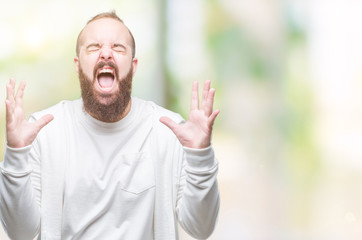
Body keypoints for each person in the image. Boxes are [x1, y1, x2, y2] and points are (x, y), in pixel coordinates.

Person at [0, 11, 220, 240]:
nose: (106, 53)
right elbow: (20, 233)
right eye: (94, 47)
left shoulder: (168, 130)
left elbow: (201, 229)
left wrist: (200, 156)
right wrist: (16, 154)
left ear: (133, 66)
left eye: (118, 47)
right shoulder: (44, 132)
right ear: (77, 64)